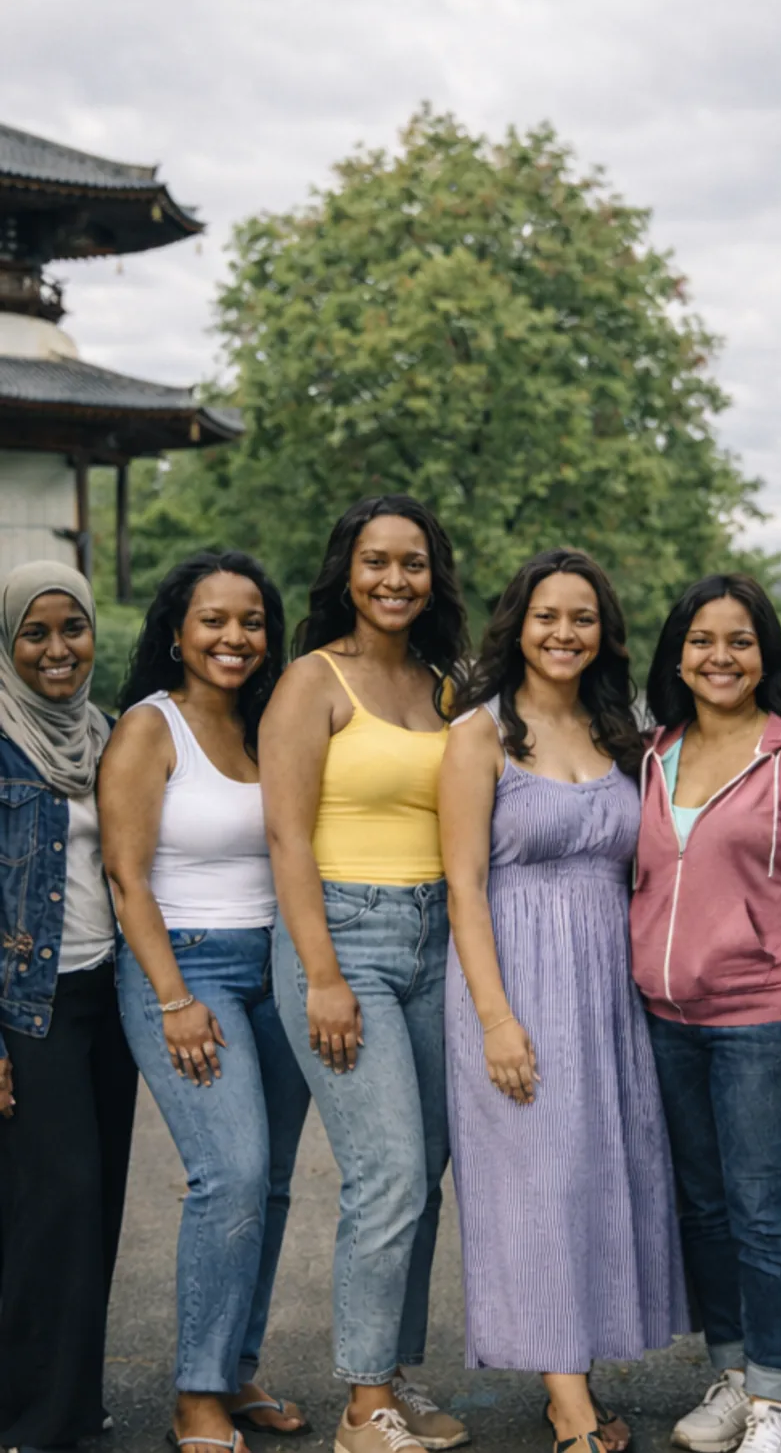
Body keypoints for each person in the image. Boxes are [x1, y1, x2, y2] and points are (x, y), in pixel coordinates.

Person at [441, 549, 688, 1453]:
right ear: (519, 624)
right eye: (547, 616)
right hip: (513, 981)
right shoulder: (480, 733)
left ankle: (571, 1379)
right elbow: (463, 886)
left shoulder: (626, 731)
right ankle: (572, 1408)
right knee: (532, 1182)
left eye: (582, 618)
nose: (564, 633)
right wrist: (497, 1018)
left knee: (594, 1176)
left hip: (607, 989)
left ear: (603, 634)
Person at [631, 573, 781, 1453]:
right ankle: (731, 1376)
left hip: (768, 1020)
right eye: (701, 640)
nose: (719, 656)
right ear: (679, 654)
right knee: (705, 1210)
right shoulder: (653, 751)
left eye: (738, 640)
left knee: (770, 1217)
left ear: (763, 652)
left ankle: (777, 1402)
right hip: (667, 1022)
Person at [262, 495, 470, 1453]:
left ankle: (394, 1375)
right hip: (343, 935)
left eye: (414, 563)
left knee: (423, 1170)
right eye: (377, 561)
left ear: (436, 576)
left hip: (438, 938)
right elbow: (285, 837)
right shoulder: (313, 680)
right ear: (347, 570)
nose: (396, 580)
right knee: (385, 1174)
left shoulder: (444, 682)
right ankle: (361, 1409)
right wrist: (321, 975)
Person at [99, 551, 311, 1453]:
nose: (235, 637)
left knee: (266, 1187)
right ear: (177, 632)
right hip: (184, 968)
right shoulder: (152, 728)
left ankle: (236, 1370)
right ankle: (195, 1394)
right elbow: (125, 877)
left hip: (279, 969)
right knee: (227, 1177)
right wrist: (175, 998)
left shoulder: (273, 722)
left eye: (252, 621)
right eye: (214, 621)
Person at [0, 561, 136, 1453]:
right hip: (28, 1005)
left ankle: (74, 1408)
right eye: (35, 633)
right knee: (54, 1204)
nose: (58, 650)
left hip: (107, 999)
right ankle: (31, 1422)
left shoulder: (110, 735)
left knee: (97, 1209)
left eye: (72, 629)